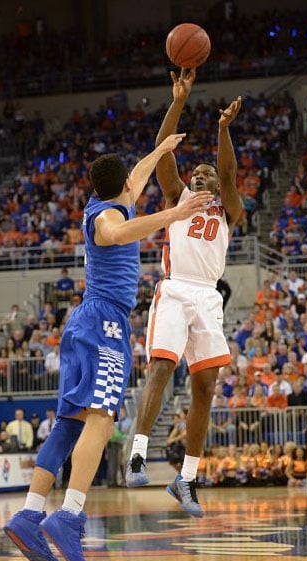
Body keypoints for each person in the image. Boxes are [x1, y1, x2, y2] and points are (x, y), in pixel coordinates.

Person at [3, 134, 211, 561]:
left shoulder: (110, 200)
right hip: (105, 324)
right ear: (120, 190)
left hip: (85, 322)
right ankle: (70, 515)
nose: (134, 189)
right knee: (102, 417)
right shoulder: (108, 215)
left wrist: (160, 150)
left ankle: (28, 512)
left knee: (67, 423)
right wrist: (174, 213)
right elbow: (116, 231)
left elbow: (134, 180)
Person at [126, 67, 242, 518]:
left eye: (205, 173)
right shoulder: (176, 195)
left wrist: (222, 128)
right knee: (161, 366)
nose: (199, 174)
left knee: (206, 386)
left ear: (214, 185)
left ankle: (187, 478)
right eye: (196, 172)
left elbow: (230, 172)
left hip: (209, 297)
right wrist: (178, 101)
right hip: (175, 291)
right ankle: (137, 454)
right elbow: (163, 156)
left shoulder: (228, 207)